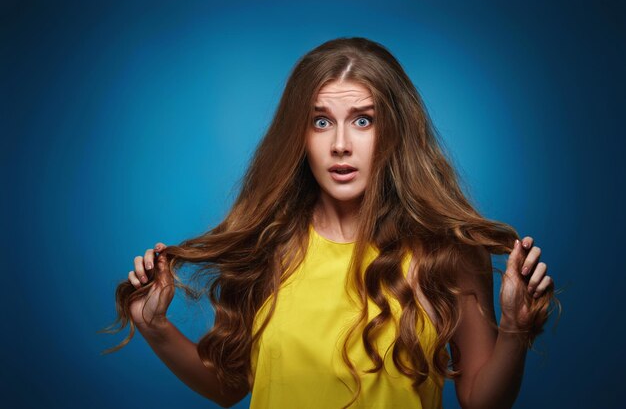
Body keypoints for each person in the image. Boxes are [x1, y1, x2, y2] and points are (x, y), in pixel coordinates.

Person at [101, 37, 560, 409]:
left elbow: (481, 400)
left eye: (363, 121)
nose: (341, 144)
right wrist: (156, 327)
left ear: (395, 132)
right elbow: (231, 388)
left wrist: (517, 329)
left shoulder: (448, 253)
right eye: (321, 122)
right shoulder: (268, 247)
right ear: (299, 136)